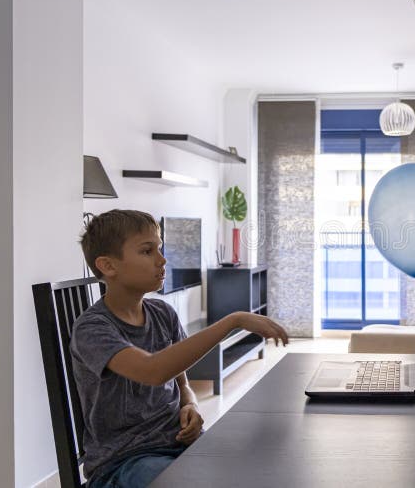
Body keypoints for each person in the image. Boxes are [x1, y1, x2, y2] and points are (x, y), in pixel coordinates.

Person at [71, 209, 289, 488]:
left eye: (159, 249)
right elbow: (153, 370)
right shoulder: (93, 329)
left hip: (177, 445)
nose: (162, 260)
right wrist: (232, 321)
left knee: (261, 465)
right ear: (108, 266)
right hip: (124, 461)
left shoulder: (163, 313)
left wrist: (191, 404)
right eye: (147, 251)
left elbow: (182, 383)